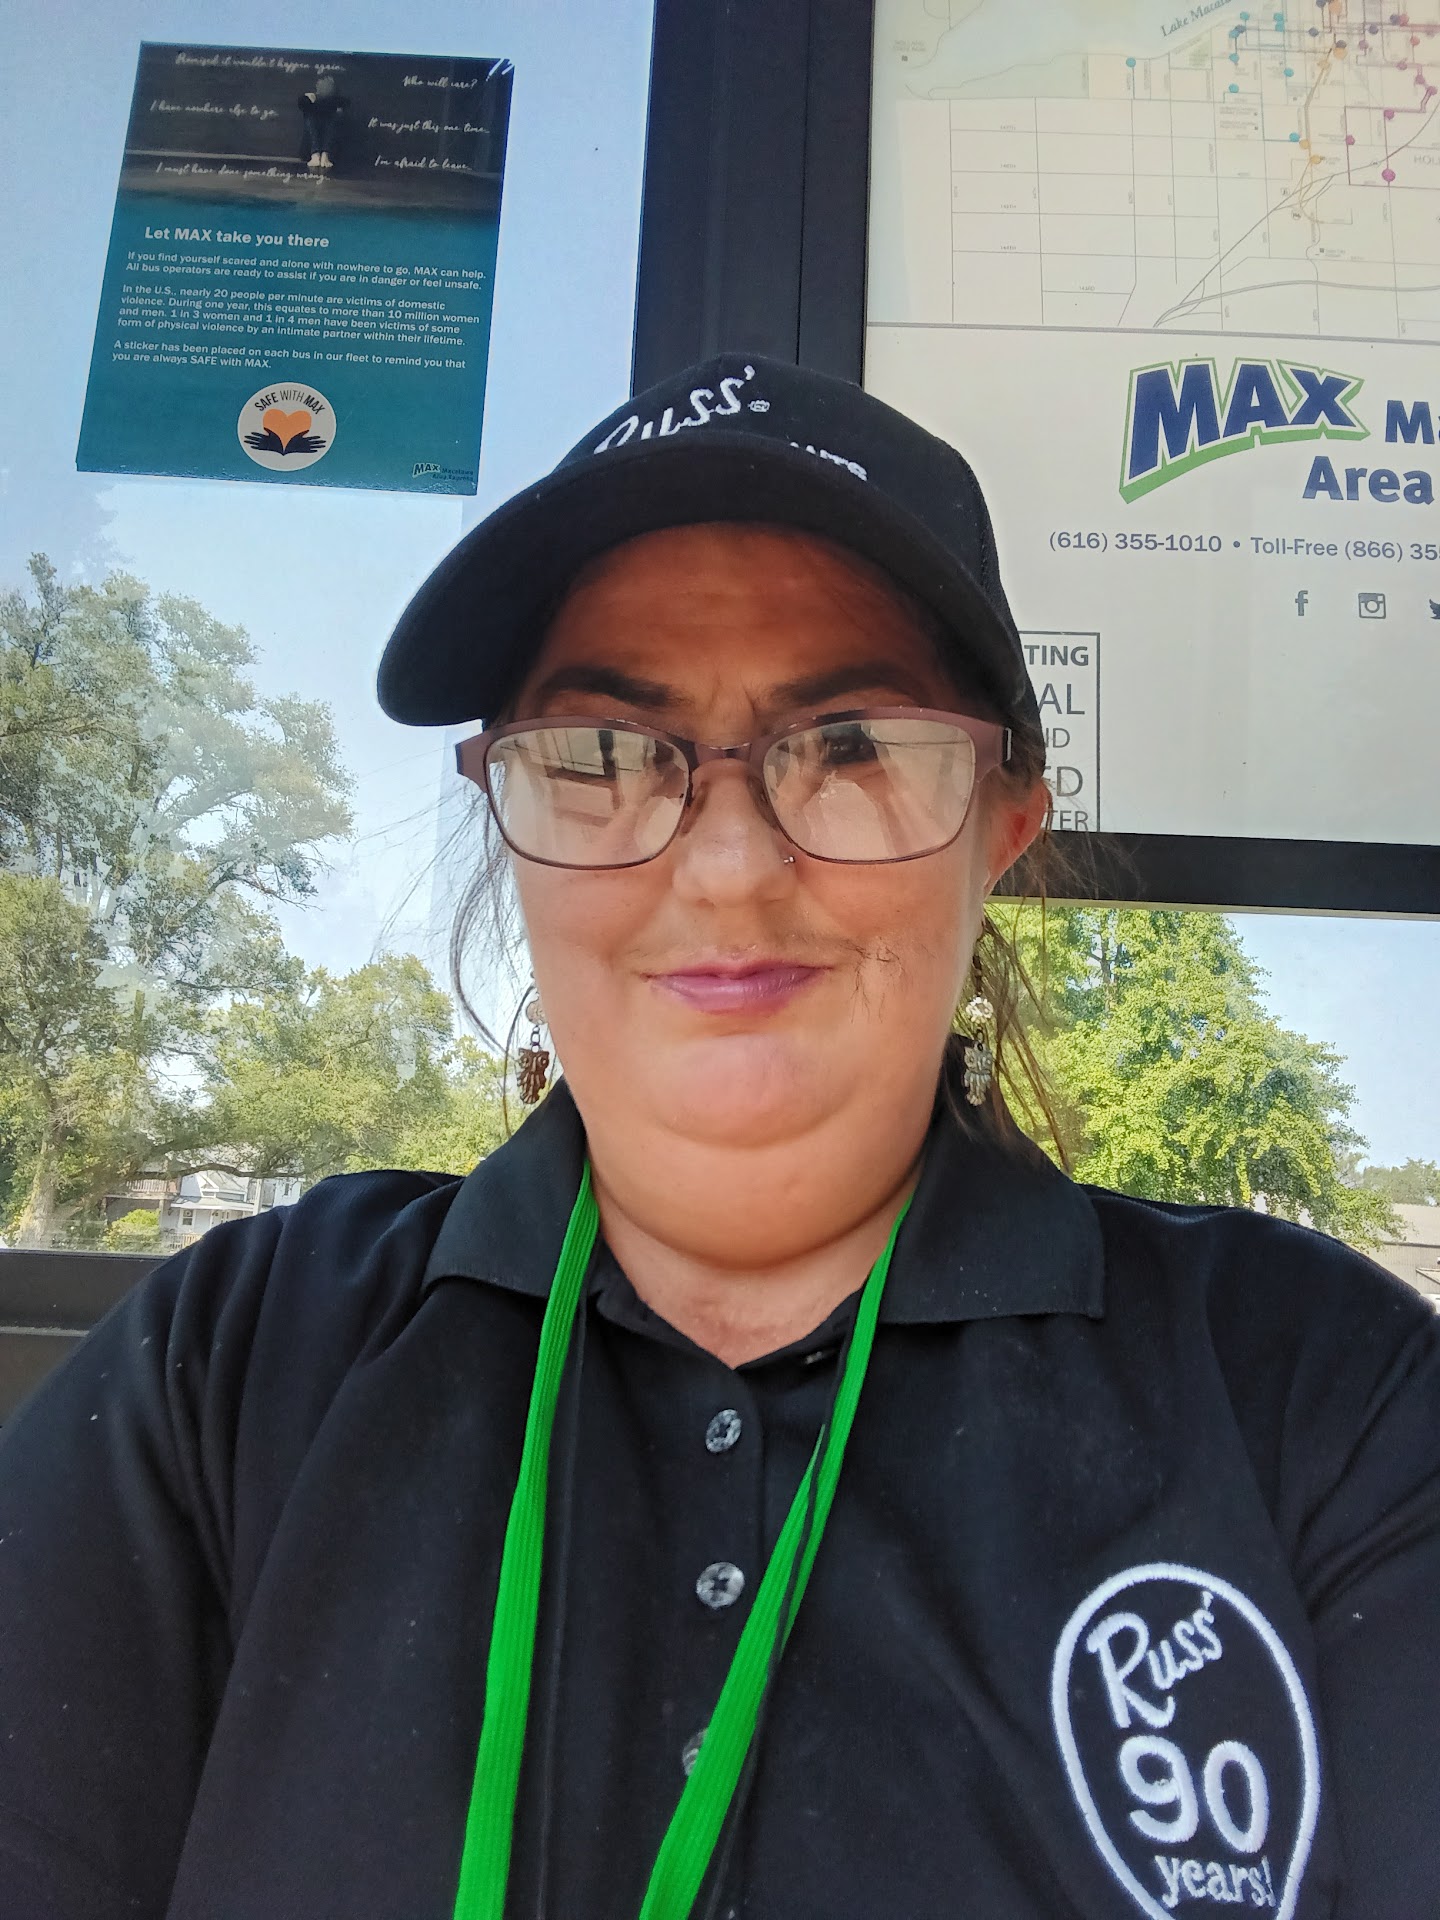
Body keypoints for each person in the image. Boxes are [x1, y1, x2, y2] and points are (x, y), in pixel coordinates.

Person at [0, 355, 1436, 1920]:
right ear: (508, 812)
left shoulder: (1327, 1400)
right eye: (606, 754)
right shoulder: (226, 1366)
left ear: (1005, 823)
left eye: (854, 744)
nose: (732, 867)